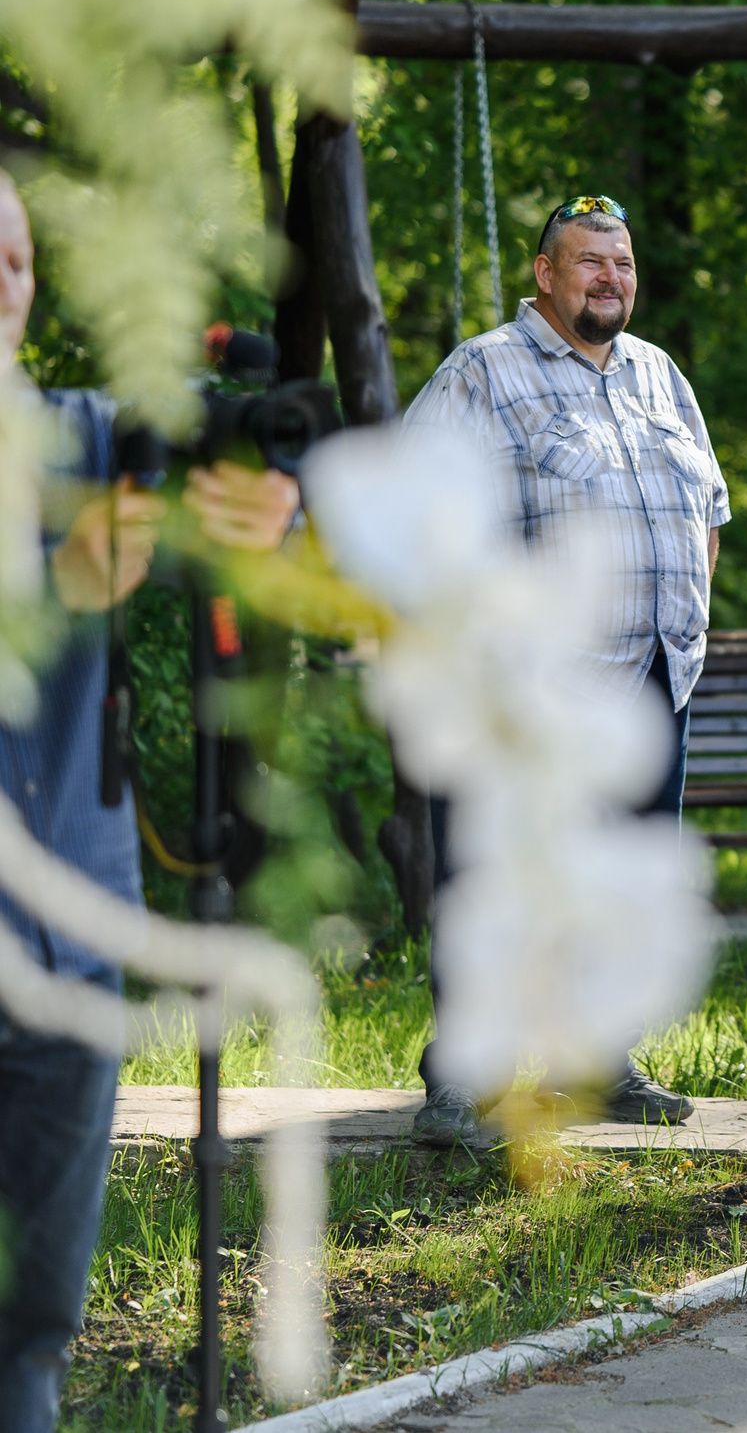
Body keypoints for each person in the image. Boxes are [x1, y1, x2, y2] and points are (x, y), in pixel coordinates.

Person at [0, 171, 301, 1430]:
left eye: (10, 260)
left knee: (35, 1319)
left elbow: (224, 506)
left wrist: (270, 508)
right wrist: (52, 584)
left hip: (78, 929)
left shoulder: (82, 432)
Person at [403, 195, 722, 1142]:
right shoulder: (484, 370)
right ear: (545, 273)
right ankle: (462, 1082)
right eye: (588, 261)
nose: (609, 278)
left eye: (621, 263)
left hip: (656, 679)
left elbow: (706, 509)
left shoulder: (659, 375)